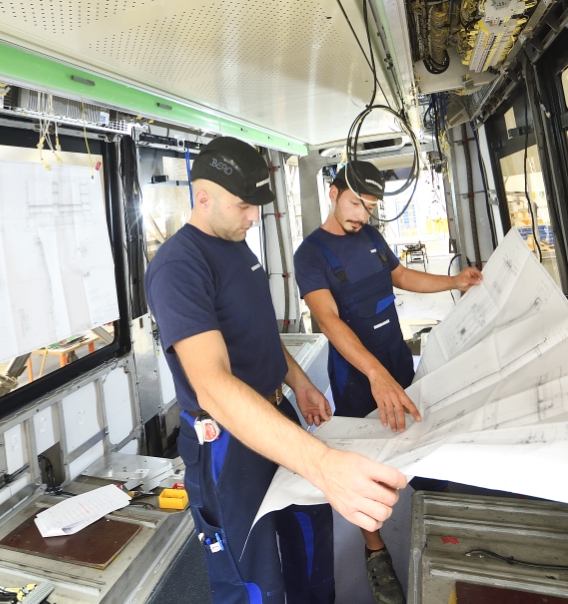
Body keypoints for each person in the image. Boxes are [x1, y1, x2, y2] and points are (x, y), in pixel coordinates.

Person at [146, 138, 408, 604]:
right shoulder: (179, 266)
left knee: (310, 530)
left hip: (275, 407)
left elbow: (259, 333)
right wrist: (322, 463)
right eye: (245, 206)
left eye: (257, 207)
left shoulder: (238, 247)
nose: (253, 218)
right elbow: (214, 387)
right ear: (202, 197)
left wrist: (299, 382)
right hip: (226, 439)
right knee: (255, 575)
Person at [293, 161, 483, 604]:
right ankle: (375, 551)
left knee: (422, 443)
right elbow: (328, 320)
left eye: (370, 207)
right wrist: (374, 375)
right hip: (358, 376)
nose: (362, 215)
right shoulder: (311, 254)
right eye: (356, 203)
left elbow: (400, 276)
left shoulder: (372, 238)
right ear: (333, 192)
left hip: (398, 361)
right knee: (370, 466)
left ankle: (443, 535)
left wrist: (455, 281)